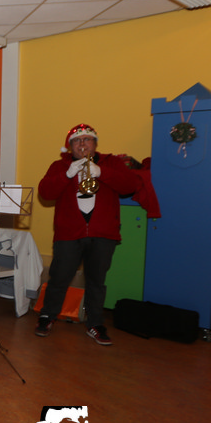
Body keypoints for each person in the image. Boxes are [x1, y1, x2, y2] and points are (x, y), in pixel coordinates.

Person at [36, 124, 141, 346]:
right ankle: (47, 316)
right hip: (68, 234)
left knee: (96, 281)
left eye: (87, 139)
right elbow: (45, 193)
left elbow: (131, 185)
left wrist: (102, 172)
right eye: (77, 140)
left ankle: (95, 324)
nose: (82, 144)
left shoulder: (111, 163)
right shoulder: (59, 166)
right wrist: (67, 174)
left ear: (95, 143)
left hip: (103, 233)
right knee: (59, 278)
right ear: (70, 146)